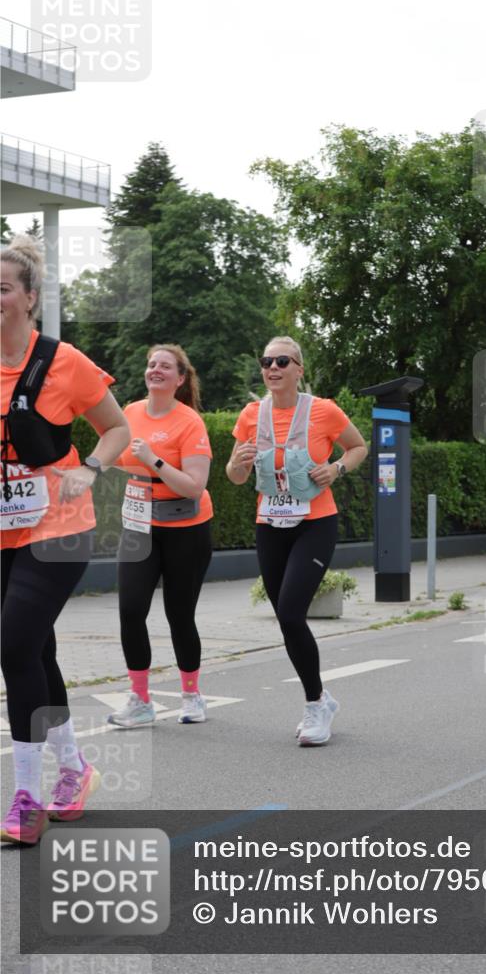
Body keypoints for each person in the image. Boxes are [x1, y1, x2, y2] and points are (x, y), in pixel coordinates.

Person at [0, 235, 129, 845]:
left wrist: (90, 470)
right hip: (4, 531)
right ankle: (74, 770)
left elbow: (116, 428)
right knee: (36, 653)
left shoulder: (62, 362)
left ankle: (26, 798)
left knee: (13, 644)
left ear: (29, 297)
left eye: (2, 289)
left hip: (59, 529)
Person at [227, 336, 367, 746]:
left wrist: (337, 468)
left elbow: (358, 446)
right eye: (267, 361)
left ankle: (313, 705)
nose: (272, 367)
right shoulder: (251, 414)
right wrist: (236, 465)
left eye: (282, 361)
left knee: (290, 613)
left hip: (314, 523)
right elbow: (236, 477)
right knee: (286, 619)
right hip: (269, 522)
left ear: (298, 369)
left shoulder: (323, 410)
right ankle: (322, 699)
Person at [108, 344, 213, 728]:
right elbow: (115, 457)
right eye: (151, 364)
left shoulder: (189, 423)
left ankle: (192, 694)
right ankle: (140, 700)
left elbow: (194, 486)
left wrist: (154, 460)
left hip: (186, 528)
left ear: (180, 378)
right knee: (131, 610)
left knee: (179, 615)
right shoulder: (130, 413)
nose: (155, 370)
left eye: (165, 366)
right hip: (139, 526)